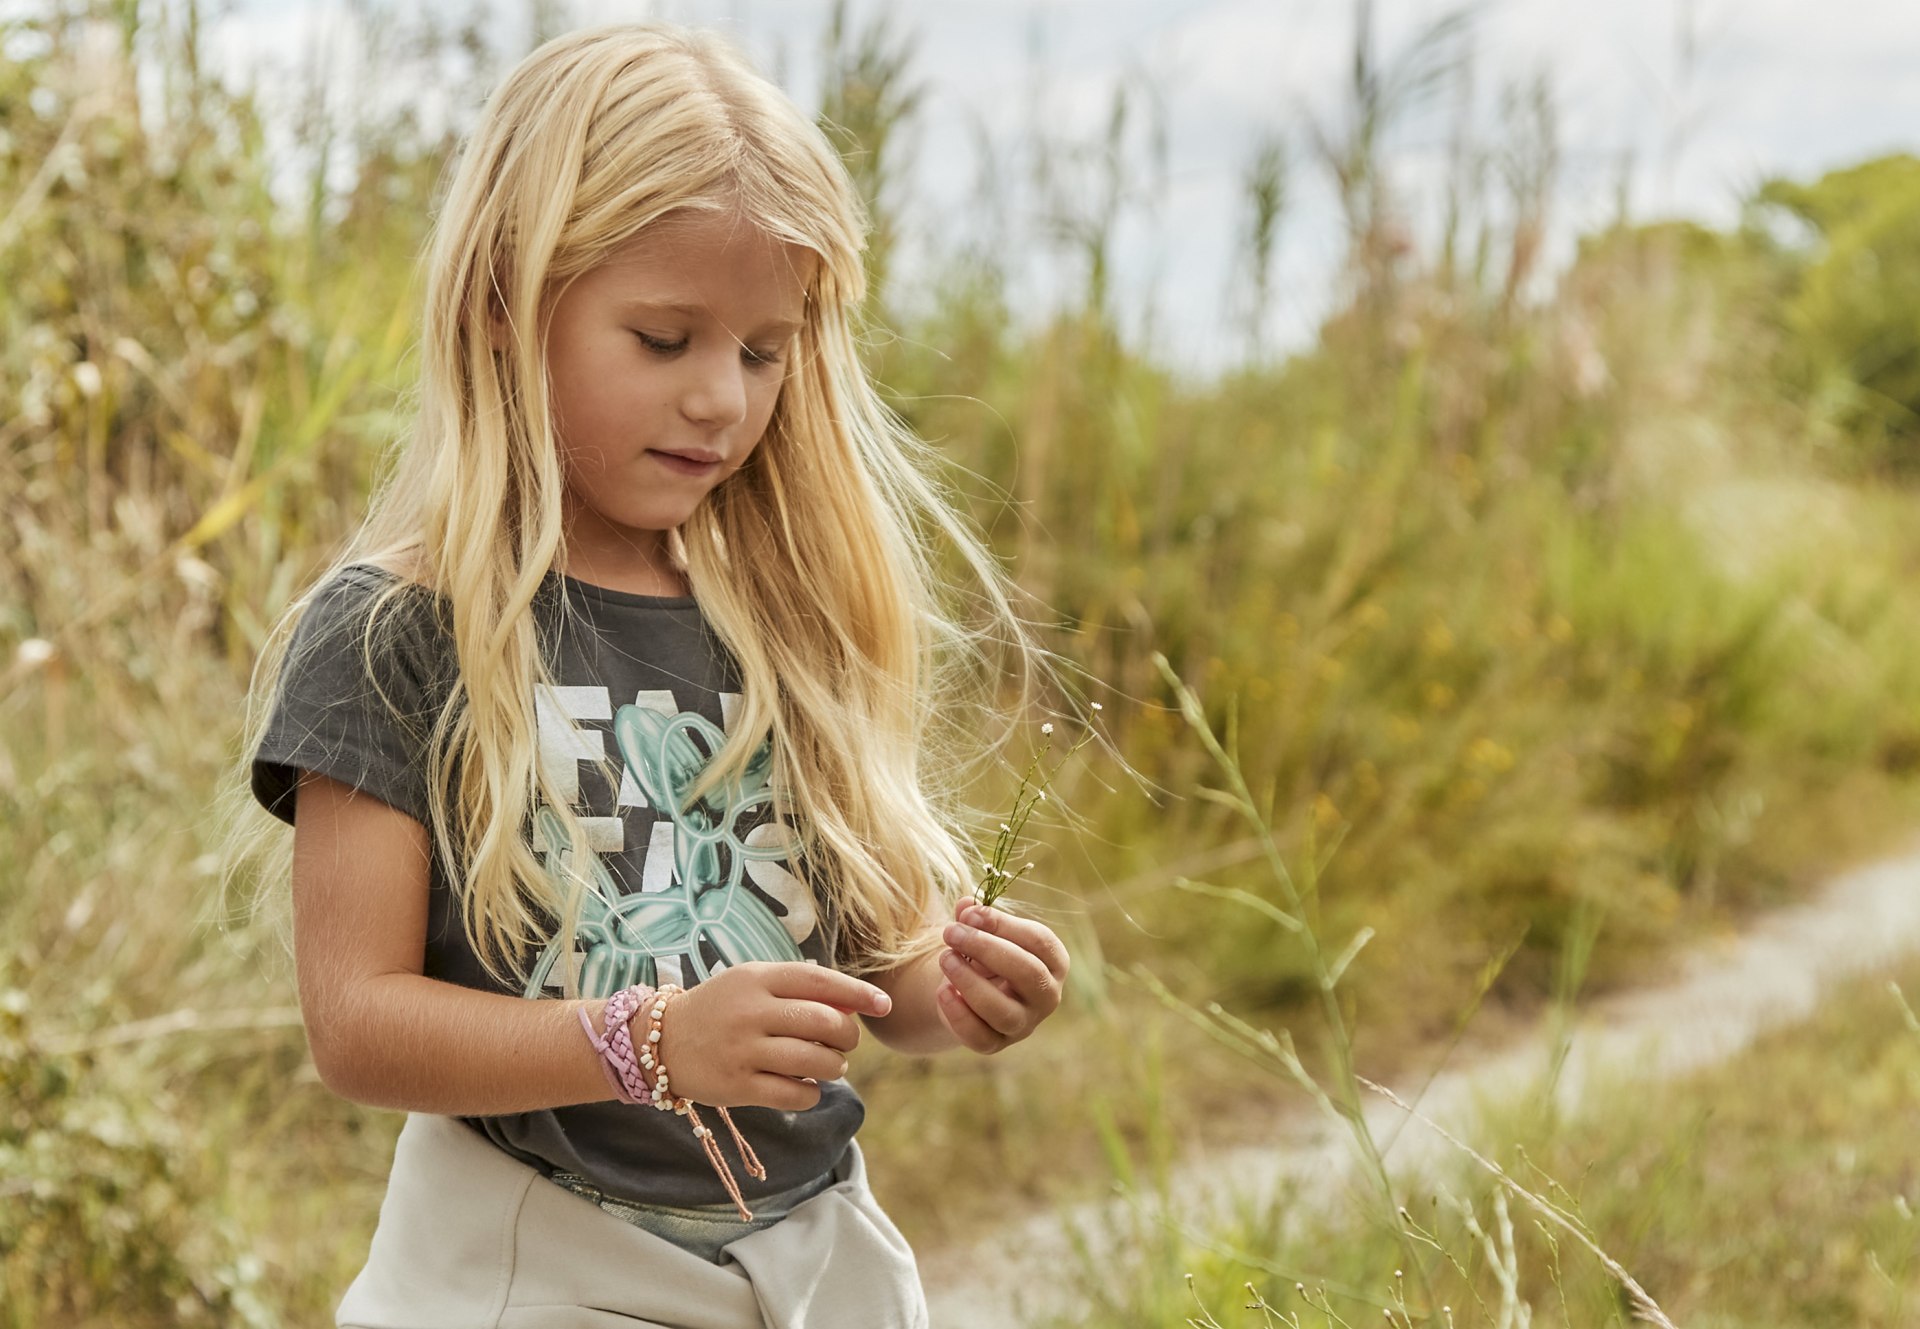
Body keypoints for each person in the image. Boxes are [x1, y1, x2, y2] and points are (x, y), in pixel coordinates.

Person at [235, 21, 1071, 1328]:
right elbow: (357, 1025)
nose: (723, 402)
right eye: (666, 338)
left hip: (815, 1262)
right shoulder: (397, 628)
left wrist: (949, 994)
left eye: (761, 348)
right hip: (536, 1269)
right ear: (506, 306)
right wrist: (646, 1042)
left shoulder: (783, 615)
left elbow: (859, 968)